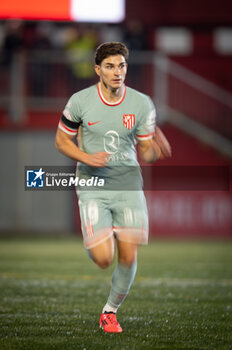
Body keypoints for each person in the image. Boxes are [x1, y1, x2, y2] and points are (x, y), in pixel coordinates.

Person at [55, 42, 171, 333]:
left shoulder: (141, 103)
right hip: (92, 184)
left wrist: (155, 149)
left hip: (128, 186)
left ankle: (109, 312)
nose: (117, 72)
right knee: (104, 259)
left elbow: (145, 153)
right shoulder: (80, 101)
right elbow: (61, 141)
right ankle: (95, 237)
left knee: (129, 255)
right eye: (110, 66)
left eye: (121, 66)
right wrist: (87, 157)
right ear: (98, 70)